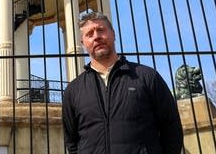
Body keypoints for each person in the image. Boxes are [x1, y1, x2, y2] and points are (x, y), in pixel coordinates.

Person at [62, 10, 183, 153]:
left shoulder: (146, 76)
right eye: (89, 34)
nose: (96, 37)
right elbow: (72, 141)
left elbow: (171, 128)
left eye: (101, 30)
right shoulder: (74, 89)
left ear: (113, 34)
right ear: (83, 43)